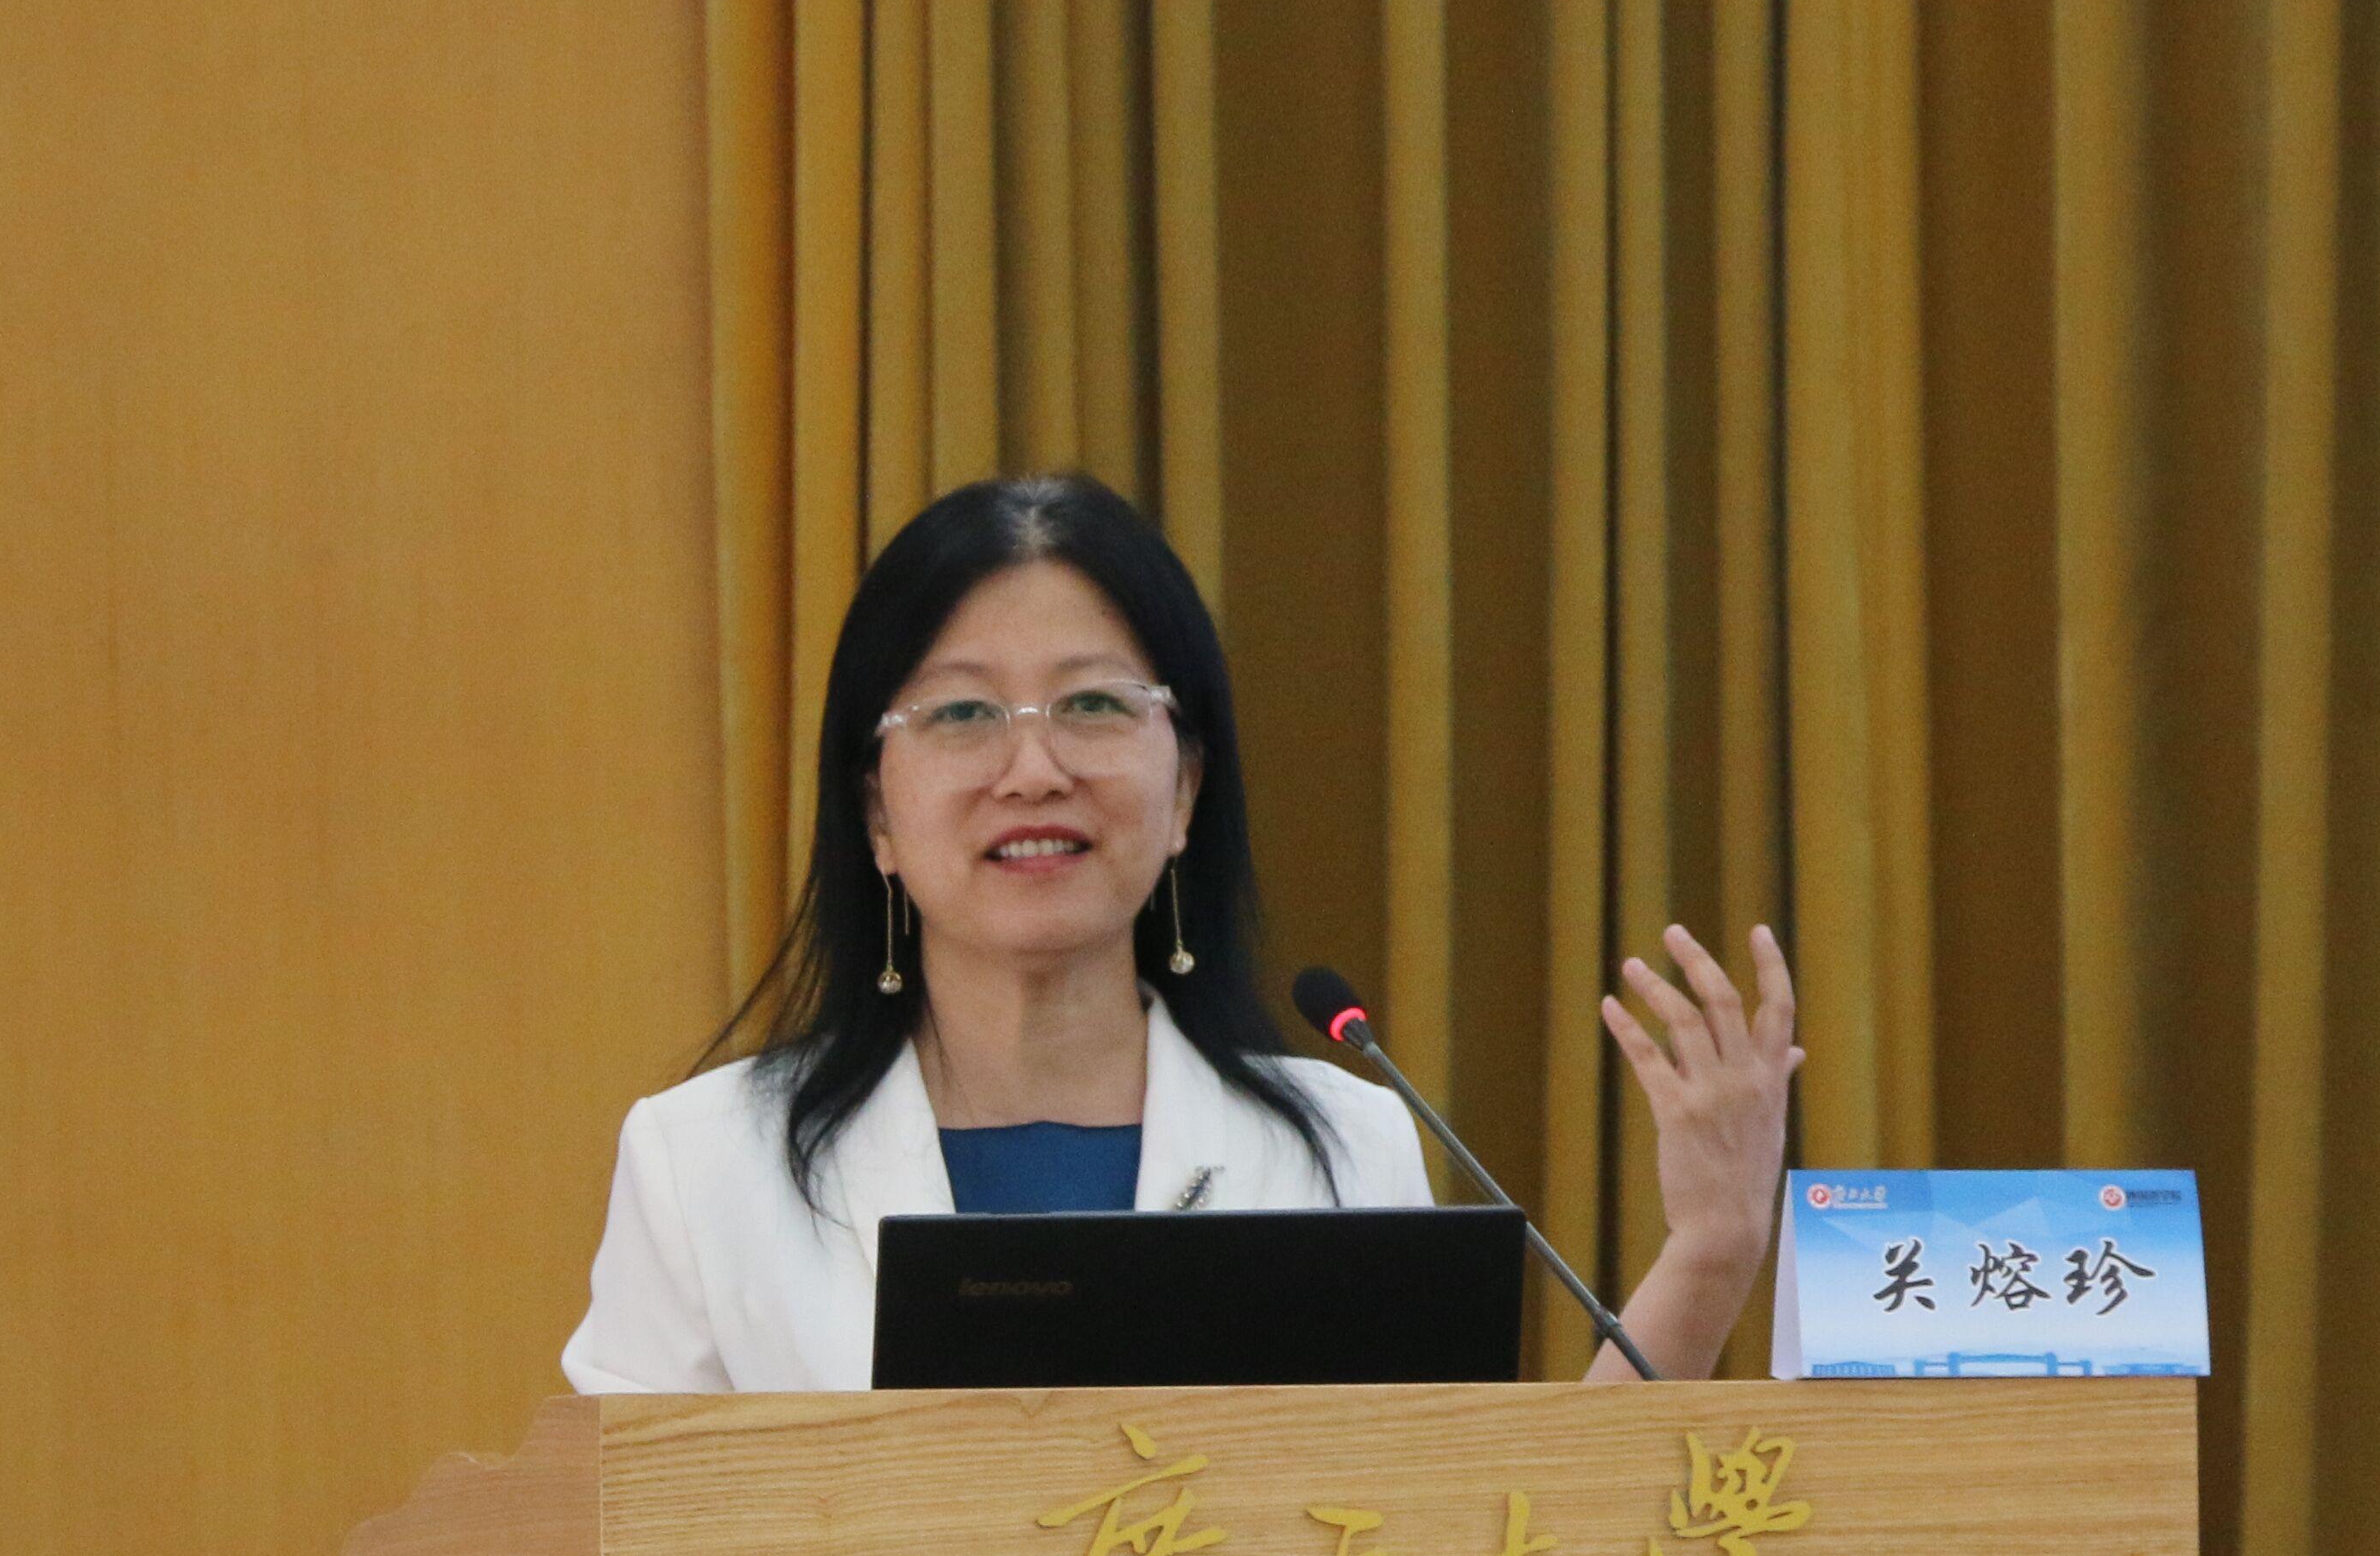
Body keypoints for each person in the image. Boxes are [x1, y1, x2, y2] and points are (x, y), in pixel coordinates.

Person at [562, 471, 1801, 1394]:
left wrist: (1710, 1250)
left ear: (1187, 790)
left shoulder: (1342, 1149)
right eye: (962, 715)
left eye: (1096, 705)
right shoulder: (704, 1168)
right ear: (877, 813)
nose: (1034, 769)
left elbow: (1470, 1549)